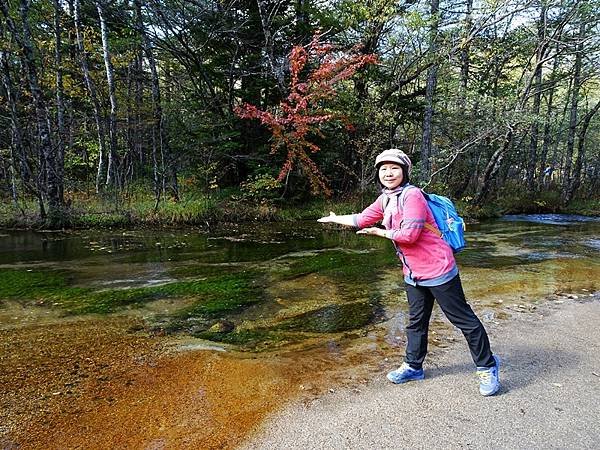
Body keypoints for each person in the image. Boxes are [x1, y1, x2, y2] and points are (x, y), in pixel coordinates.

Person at [318, 148, 500, 396]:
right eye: (383, 169)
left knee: (463, 320)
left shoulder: (412, 195)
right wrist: (335, 219)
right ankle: (414, 367)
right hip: (413, 273)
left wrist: (381, 232)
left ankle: (487, 366)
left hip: (438, 269)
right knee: (416, 322)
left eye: (394, 168)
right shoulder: (386, 198)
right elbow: (362, 219)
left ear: (404, 171)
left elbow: (410, 236)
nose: (388, 173)